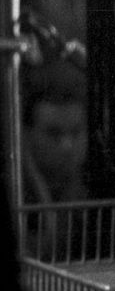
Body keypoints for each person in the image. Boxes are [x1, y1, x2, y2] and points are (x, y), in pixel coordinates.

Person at [21, 61, 89, 205]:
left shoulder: (101, 189)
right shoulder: (15, 196)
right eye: (53, 134)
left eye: (76, 132)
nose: (67, 146)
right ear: (27, 135)